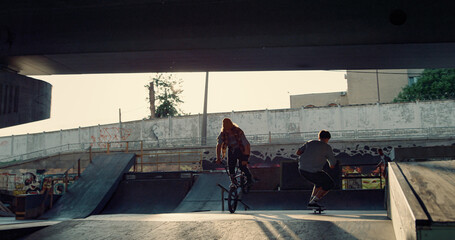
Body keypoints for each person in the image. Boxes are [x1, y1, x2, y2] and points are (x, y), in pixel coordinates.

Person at [296, 130, 337, 208]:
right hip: (313, 172)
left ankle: (312, 199)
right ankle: (313, 202)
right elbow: (332, 165)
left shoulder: (310, 142)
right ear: (328, 139)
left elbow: (298, 152)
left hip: (302, 169)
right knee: (330, 184)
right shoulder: (327, 147)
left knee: (318, 182)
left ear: (319, 137)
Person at [216, 118, 253, 187]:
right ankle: (233, 182)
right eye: (226, 129)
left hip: (241, 149)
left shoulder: (238, 131)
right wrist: (218, 158)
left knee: (242, 166)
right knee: (231, 167)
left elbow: (246, 145)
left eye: (229, 129)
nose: (228, 131)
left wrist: (246, 158)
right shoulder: (223, 134)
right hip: (231, 150)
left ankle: (249, 179)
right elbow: (219, 146)